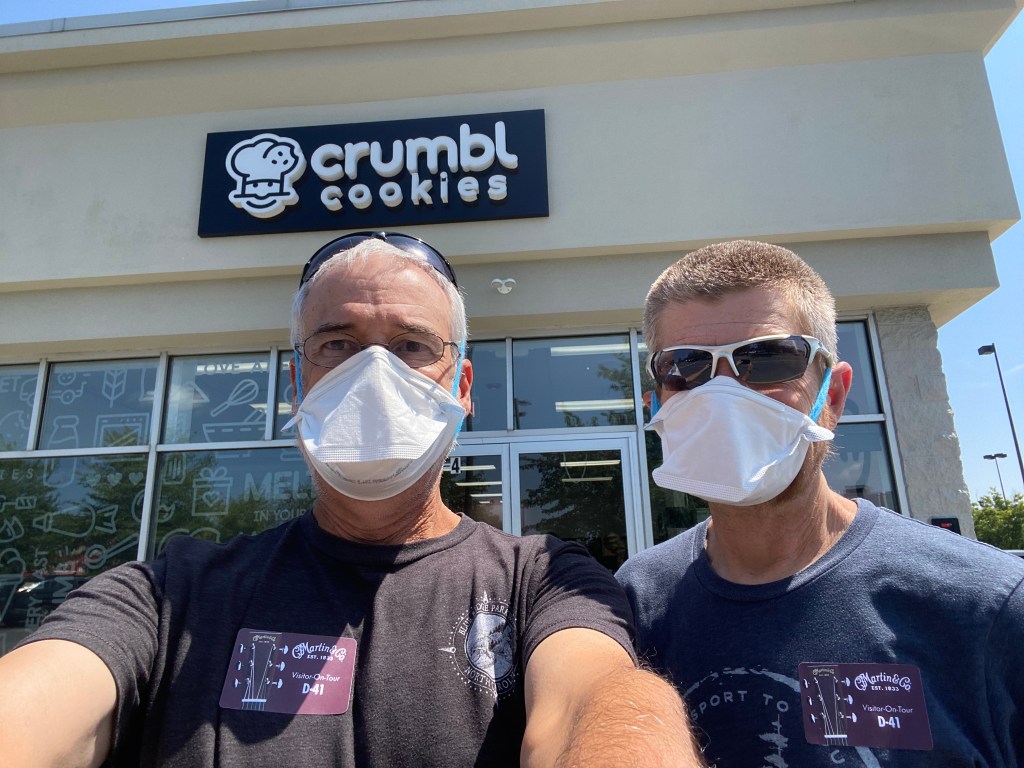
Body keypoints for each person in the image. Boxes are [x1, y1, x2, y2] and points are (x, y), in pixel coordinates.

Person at [0, 231, 704, 768]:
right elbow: (43, 702)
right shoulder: (171, 599)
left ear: (462, 388)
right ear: (296, 383)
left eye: (412, 345)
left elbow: (598, 699)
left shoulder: (543, 582)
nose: (374, 372)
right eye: (337, 344)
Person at [617, 240, 1024, 767]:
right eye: (686, 365)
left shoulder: (989, 609)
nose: (724, 394)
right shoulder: (634, 602)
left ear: (832, 396)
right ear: (657, 401)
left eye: (767, 359)